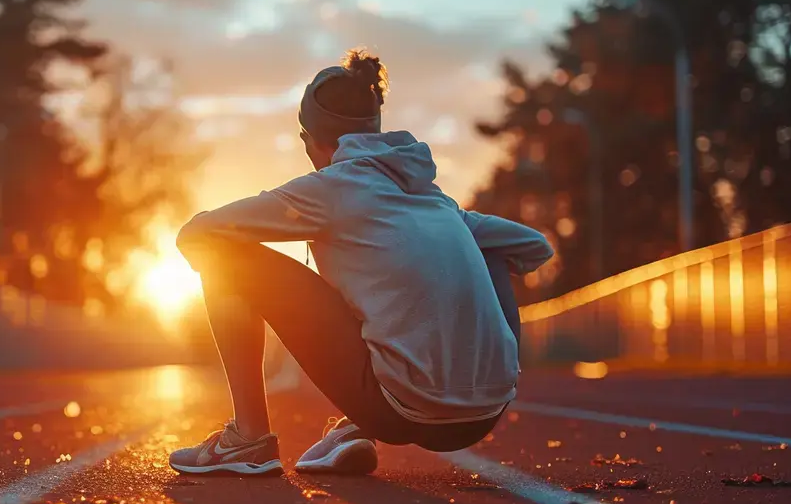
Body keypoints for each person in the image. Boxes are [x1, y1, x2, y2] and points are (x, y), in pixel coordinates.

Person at [169, 49, 554, 476]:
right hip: (487, 413)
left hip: (400, 410)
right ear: (374, 131)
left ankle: (247, 438)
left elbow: (198, 234)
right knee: (470, 251)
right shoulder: (436, 200)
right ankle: (356, 428)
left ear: (309, 139)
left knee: (223, 254)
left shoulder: (331, 188)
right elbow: (533, 247)